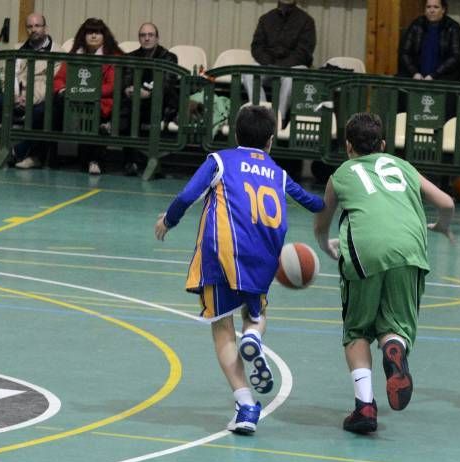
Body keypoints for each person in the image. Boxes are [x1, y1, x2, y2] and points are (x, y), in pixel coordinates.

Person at [154, 105, 324, 435]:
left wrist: (168, 220)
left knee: (221, 326)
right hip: (264, 257)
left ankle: (246, 404)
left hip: (221, 256)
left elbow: (187, 195)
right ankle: (253, 335)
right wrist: (337, 198)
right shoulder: (278, 172)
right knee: (255, 314)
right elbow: (313, 202)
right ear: (271, 141)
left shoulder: (220, 161)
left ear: (235, 135)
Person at [313, 112, 455, 434]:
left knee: (357, 330)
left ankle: (365, 406)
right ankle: (395, 348)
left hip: (366, 252)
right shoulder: (403, 166)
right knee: (396, 325)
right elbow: (446, 203)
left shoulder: (341, 174)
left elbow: (322, 222)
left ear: (348, 146)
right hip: (410, 251)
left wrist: (325, 245)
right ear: (384, 145)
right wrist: (440, 227)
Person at [0, 13, 62, 168]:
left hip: (38, 100)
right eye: (30, 26)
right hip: (14, 96)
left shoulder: (57, 52)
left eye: (37, 26)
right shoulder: (17, 48)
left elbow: (50, 84)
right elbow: (5, 76)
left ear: (45, 28)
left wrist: (28, 99)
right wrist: (13, 97)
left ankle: (17, 152)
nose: (33, 30)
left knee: (42, 112)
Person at [52, 17, 123, 175]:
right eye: (90, 32)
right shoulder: (74, 55)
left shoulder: (114, 56)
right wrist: (65, 90)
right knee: (53, 104)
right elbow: (58, 80)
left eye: (98, 32)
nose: (93, 36)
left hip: (100, 103)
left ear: (104, 36)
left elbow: (112, 86)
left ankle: (94, 160)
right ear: (83, 35)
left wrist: (87, 92)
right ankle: (49, 157)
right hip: (73, 101)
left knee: (91, 111)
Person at [241, 0, 316, 122]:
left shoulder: (307, 21)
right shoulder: (266, 19)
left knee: (291, 78)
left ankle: (279, 119)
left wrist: (282, 65)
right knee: (249, 73)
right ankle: (262, 116)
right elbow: (257, 46)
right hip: (269, 64)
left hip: (293, 66)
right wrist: (268, 62)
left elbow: (304, 52)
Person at [121, 22, 178, 176]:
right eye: (143, 35)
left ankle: (146, 162)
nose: (146, 38)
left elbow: (167, 83)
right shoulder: (131, 57)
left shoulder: (169, 57)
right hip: (135, 103)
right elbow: (126, 78)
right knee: (126, 112)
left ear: (157, 38)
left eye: (150, 35)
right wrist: (128, 88)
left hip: (160, 104)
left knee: (135, 111)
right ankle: (130, 162)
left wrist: (149, 93)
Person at [397, 0, 460, 82]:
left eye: (436, 7)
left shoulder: (453, 27)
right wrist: (414, 72)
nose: (431, 10)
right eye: (428, 7)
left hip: (444, 78)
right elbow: (404, 52)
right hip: (417, 77)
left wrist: (434, 75)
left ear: (443, 10)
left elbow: (456, 56)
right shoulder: (416, 25)